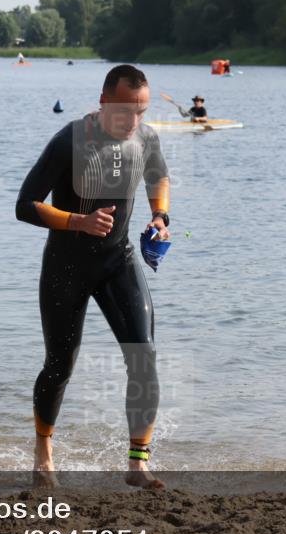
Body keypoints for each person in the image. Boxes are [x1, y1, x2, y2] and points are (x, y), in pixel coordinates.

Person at [16, 64, 171, 490]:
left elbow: (158, 176)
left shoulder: (146, 138)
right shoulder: (70, 140)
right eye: (124, 111)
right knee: (59, 365)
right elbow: (25, 205)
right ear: (103, 102)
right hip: (66, 265)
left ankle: (137, 463)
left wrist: (160, 216)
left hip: (117, 260)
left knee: (144, 356)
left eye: (140, 111)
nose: (132, 121)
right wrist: (78, 222)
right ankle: (43, 452)